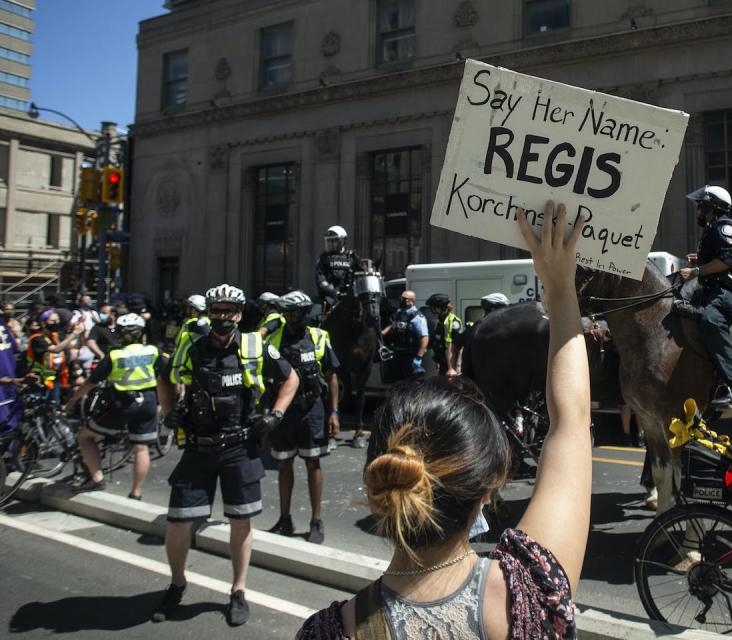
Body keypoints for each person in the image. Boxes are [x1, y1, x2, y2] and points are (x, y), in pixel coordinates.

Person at [296, 200, 590, 639]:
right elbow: (571, 421)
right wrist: (561, 289)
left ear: (380, 483)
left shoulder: (324, 633)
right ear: (488, 489)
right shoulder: (531, 595)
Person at [154, 284, 299, 626]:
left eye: (228, 311)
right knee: (177, 521)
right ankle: (176, 584)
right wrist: (168, 410)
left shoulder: (253, 345)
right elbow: (165, 377)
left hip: (240, 446)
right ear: (208, 312)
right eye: (215, 310)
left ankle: (238, 590)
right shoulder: (192, 345)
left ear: (238, 314)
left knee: (240, 520)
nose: (221, 317)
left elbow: (290, 379)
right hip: (198, 445)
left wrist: (275, 415)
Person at [265, 290, 340, 544]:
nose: (303, 317)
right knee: (284, 463)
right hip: (284, 411)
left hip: (313, 409)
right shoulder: (273, 338)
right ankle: (284, 519)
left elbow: (331, 376)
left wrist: (334, 412)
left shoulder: (319, 336)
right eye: (297, 312)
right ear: (286, 314)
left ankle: (316, 520)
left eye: (306, 311)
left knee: (313, 463)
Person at [65, 313, 160, 497]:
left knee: (85, 437)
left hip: (122, 403)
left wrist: (71, 401)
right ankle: (136, 492)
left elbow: (90, 382)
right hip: (148, 402)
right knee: (141, 447)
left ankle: (97, 478)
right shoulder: (153, 351)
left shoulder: (115, 355)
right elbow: (166, 377)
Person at [679, 185, 732, 409]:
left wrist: (695, 271)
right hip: (715, 288)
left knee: (711, 321)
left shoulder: (724, 227)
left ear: (711, 207)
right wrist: (699, 261)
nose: (698, 213)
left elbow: (728, 260)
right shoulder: (714, 228)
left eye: (700, 207)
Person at [26, 310, 84, 405]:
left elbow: (72, 347)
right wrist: (74, 334)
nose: (56, 323)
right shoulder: (37, 338)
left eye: (57, 320)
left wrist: (80, 334)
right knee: (37, 408)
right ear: (43, 323)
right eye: (53, 321)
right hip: (39, 380)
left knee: (53, 408)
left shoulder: (56, 336)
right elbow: (56, 349)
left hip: (55, 379)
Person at [381, 290, 430, 382]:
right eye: (401, 298)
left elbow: (425, 338)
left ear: (412, 300)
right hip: (396, 354)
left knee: (411, 384)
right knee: (397, 382)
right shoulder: (399, 313)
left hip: (410, 356)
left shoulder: (418, 318)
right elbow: (393, 324)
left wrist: (419, 357)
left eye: (404, 299)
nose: (401, 300)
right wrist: (382, 333)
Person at [315, 225, 363, 307]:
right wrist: (334, 293)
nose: (330, 244)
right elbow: (321, 280)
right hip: (329, 300)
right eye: (329, 241)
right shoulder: (324, 258)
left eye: (333, 241)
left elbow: (361, 276)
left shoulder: (352, 257)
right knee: (315, 314)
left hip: (351, 300)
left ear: (342, 241)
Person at [169, 295, 209, 390]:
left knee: (163, 377)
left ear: (195, 310)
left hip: (189, 363)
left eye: (189, 308)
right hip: (202, 363)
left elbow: (181, 344)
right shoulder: (209, 321)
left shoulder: (193, 324)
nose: (186, 311)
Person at [426, 293, 463, 379]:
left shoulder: (452, 322)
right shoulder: (440, 321)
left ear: (441, 307)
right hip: (442, 362)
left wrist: (452, 368)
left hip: (450, 366)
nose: (431, 309)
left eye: (433, 307)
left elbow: (454, 346)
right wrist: (437, 360)